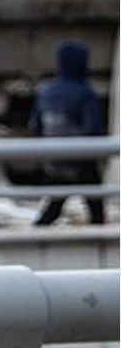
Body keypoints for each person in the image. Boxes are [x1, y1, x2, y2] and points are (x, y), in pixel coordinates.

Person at [31, 39, 110, 226]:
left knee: (54, 204)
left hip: (55, 158)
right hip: (81, 159)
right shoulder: (84, 93)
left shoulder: (46, 91)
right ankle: (99, 241)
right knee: (95, 204)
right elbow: (94, 128)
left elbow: (36, 125)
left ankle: (36, 234)